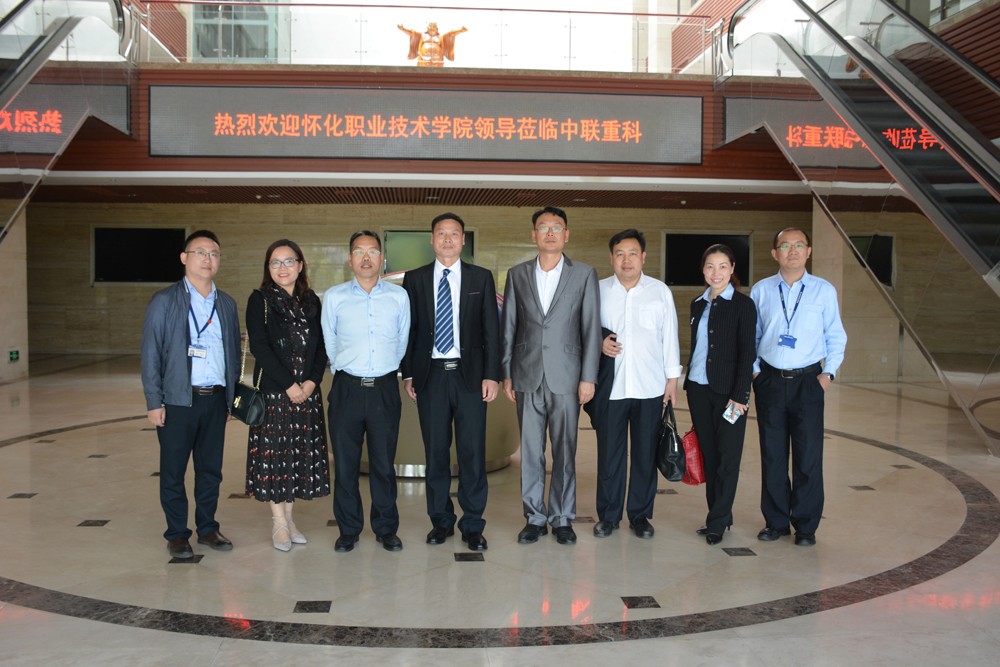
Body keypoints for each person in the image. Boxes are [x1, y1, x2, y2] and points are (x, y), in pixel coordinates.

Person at [501, 206, 602, 546]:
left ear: (566, 235)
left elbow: (590, 328)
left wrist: (588, 376)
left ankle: (561, 517)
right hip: (527, 373)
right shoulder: (517, 274)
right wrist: (507, 373)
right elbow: (509, 326)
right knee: (530, 451)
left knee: (564, 449)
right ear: (534, 235)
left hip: (567, 377)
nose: (549, 233)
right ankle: (534, 517)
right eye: (543, 227)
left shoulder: (584, 274)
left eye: (556, 227)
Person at [401, 213, 500, 552]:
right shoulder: (415, 279)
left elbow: (491, 330)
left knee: (472, 452)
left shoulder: (480, 277)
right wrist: (409, 373)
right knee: (436, 452)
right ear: (431, 240)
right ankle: (440, 521)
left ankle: (472, 524)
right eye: (441, 233)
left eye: (454, 233)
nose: (447, 239)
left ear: (463, 240)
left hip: (469, 377)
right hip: (430, 376)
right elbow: (410, 330)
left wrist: (492, 374)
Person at [141, 230, 240, 559]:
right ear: (184, 258)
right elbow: (151, 354)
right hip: (178, 401)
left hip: (216, 399)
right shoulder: (165, 301)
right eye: (200, 252)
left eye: (214, 254)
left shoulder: (226, 303)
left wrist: (230, 399)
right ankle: (177, 534)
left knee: (211, 470)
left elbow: (233, 355)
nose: (207, 259)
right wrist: (154, 401)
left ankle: (208, 528)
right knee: (173, 471)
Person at [752, 227, 847, 547]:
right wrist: (755, 373)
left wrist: (828, 375)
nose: (792, 251)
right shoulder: (762, 290)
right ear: (774, 253)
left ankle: (806, 526)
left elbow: (835, 335)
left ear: (808, 252)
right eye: (785, 246)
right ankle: (776, 522)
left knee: (808, 457)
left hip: (809, 382)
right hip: (770, 381)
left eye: (799, 245)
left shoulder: (823, 291)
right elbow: (751, 336)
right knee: (773, 456)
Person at [321, 230, 410, 553]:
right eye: (359, 252)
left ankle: (386, 529)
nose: (366, 258)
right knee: (345, 466)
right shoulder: (334, 297)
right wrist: (346, 367)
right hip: (346, 389)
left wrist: (385, 368)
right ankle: (348, 530)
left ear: (381, 258)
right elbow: (330, 341)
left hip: (384, 389)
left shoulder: (398, 297)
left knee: (384, 465)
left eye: (372, 251)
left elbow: (402, 340)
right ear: (350, 259)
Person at [591, 229, 681, 540]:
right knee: (609, 455)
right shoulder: (598, 290)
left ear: (643, 257)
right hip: (611, 389)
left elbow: (669, 336)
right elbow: (584, 328)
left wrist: (672, 379)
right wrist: (599, 341)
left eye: (632, 253)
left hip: (650, 387)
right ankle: (609, 516)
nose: (626, 260)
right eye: (620, 254)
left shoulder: (659, 291)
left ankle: (640, 516)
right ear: (611, 258)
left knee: (645, 455)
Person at [245, 240, 330, 552]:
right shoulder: (260, 300)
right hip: (275, 394)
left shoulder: (312, 301)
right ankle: (278, 522)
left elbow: (322, 345)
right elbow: (260, 348)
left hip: (306, 393)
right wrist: (289, 385)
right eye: (275, 262)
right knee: (276, 459)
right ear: (268, 268)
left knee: (297, 457)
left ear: (300, 265)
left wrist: (312, 381)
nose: (282, 268)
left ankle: (291, 519)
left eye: (288, 261)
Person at [683, 244, 757, 545]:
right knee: (711, 456)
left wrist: (741, 395)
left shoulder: (743, 305)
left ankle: (716, 521)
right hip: (698, 390)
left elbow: (747, 353)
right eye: (710, 266)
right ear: (703, 270)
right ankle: (720, 515)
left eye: (723, 266)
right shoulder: (697, 304)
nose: (716, 273)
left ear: (732, 269)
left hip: (730, 395)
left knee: (728, 457)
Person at [397, 22, 468, 66]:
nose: (432, 28)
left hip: (437, 60)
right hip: (423, 60)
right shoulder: (422, 36)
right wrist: (403, 29)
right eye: (430, 26)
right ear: (427, 28)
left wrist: (461, 30)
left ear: (437, 29)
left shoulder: (441, 37)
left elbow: (451, 34)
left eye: (434, 26)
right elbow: (412, 33)